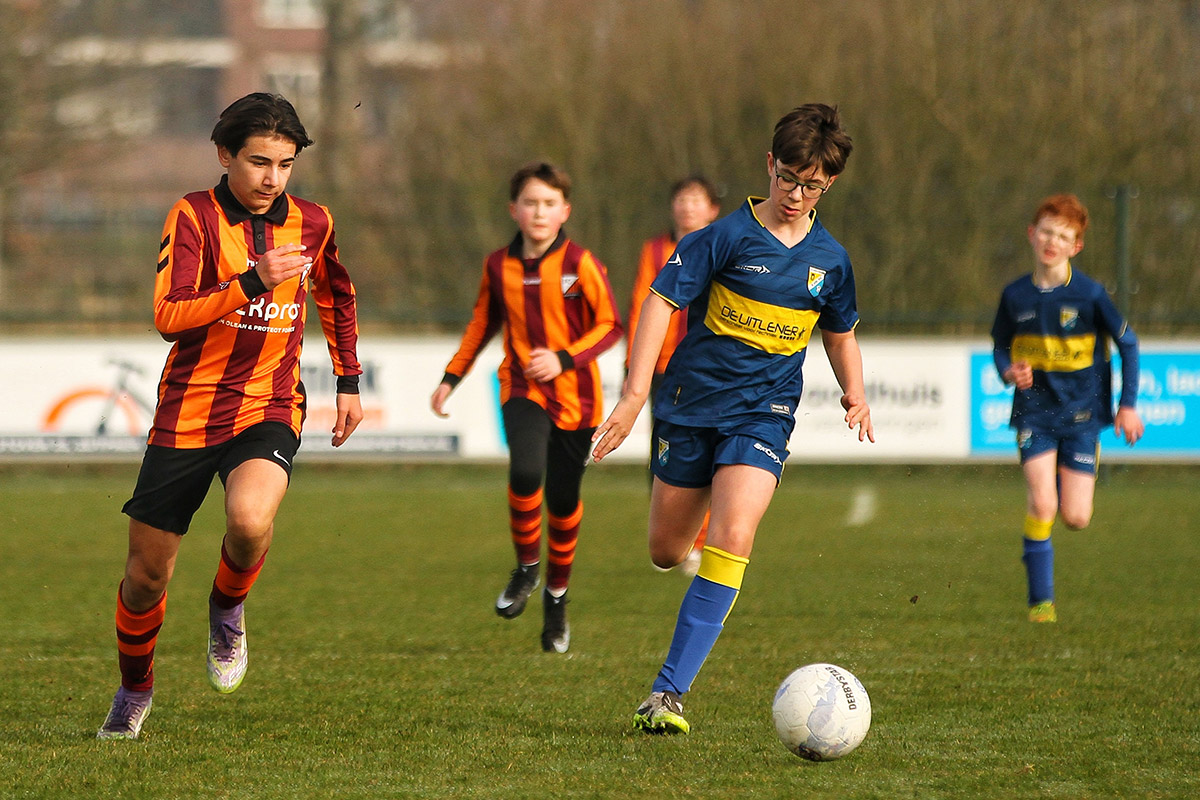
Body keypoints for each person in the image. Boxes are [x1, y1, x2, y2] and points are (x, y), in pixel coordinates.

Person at [591, 104, 874, 735]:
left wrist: (854, 392)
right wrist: (634, 397)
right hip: (691, 407)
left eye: (812, 186)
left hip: (764, 414)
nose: (796, 194)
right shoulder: (721, 238)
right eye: (788, 178)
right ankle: (670, 660)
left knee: (734, 535)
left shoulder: (831, 260)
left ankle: (668, 694)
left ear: (829, 184)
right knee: (666, 551)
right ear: (769, 165)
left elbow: (840, 332)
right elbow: (659, 303)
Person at [97, 93, 364, 739]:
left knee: (249, 520)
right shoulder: (192, 215)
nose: (273, 178)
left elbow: (337, 294)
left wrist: (349, 380)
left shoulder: (314, 221)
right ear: (225, 155)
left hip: (269, 402)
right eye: (259, 162)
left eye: (285, 164)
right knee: (145, 578)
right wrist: (252, 281)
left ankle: (227, 609)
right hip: (188, 410)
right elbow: (169, 315)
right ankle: (135, 690)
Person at [431, 162, 622, 654]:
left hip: (577, 399)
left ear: (565, 211)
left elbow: (610, 326)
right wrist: (451, 378)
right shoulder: (498, 265)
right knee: (525, 471)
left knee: (562, 502)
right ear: (513, 210)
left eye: (549, 203)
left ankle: (556, 600)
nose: (539, 212)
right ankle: (526, 568)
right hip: (521, 387)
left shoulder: (581, 264)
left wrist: (563, 358)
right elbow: (481, 324)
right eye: (531, 203)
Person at [990, 193, 1143, 624]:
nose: (1051, 242)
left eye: (1062, 236)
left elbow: (1128, 344)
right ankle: (1041, 604)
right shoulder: (1015, 295)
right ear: (1031, 234)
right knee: (1043, 506)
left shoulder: (1090, 295)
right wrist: (1008, 371)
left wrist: (1127, 406)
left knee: (1076, 517)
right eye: (1046, 232)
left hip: (1081, 416)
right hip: (1034, 414)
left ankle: (1061, 478)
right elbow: (1000, 346)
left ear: (1076, 246)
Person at [627, 176, 722, 575]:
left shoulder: (724, 246)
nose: (687, 207)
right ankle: (669, 539)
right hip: (663, 367)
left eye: (695, 200)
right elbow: (642, 302)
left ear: (712, 209)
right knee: (663, 454)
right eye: (681, 199)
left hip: (708, 368)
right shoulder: (655, 250)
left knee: (709, 454)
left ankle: (699, 543)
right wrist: (635, 364)